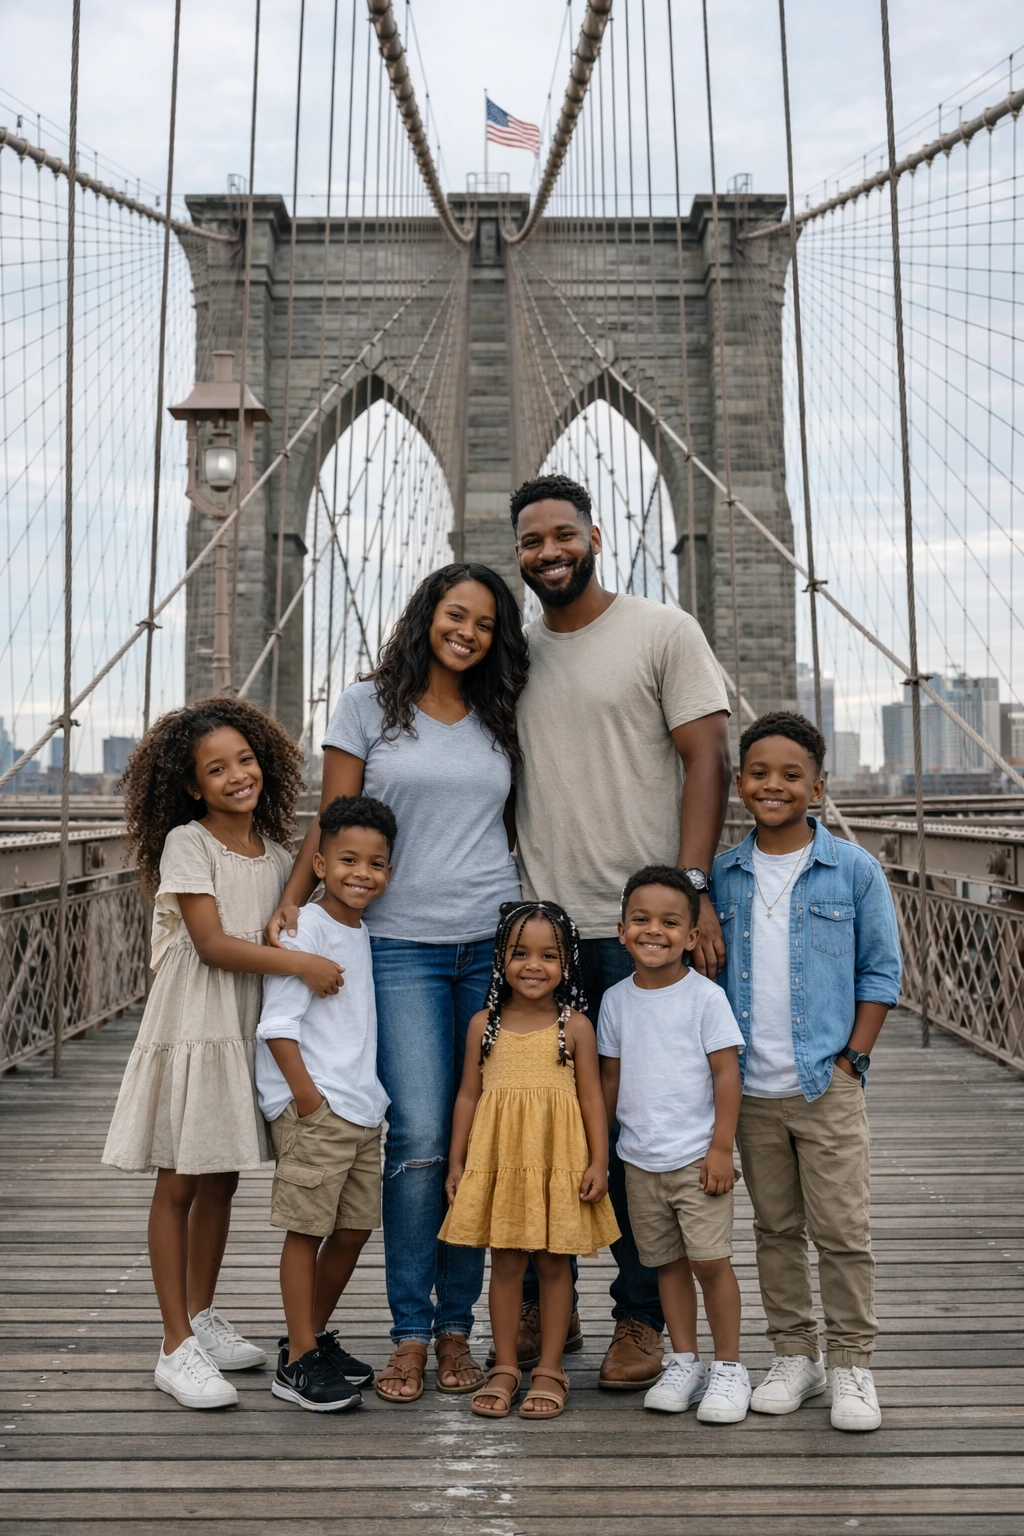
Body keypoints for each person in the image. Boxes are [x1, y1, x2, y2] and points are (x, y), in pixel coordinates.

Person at [266, 564, 529, 1403]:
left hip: (490, 941)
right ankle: (411, 1333)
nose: (469, 634)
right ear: (428, 615)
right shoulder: (365, 705)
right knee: (418, 1140)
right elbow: (333, 821)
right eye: (458, 615)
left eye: (487, 625)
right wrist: (290, 908)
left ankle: (460, 1331)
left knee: (475, 1140)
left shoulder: (503, 712)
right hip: (401, 946)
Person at [509, 473, 732, 1391]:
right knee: (543, 1127)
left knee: (646, 1134)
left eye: (564, 534)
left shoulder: (662, 630)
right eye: (531, 541)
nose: (549, 551)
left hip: (643, 935)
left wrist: (693, 892)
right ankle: (534, 1303)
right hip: (544, 936)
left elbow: (709, 754)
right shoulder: (512, 657)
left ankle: (641, 1320)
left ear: (595, 536)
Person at [103, 700, 342, 1410]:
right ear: (192, 785)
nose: (238, 775)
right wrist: (297, 967)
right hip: (196, 1020)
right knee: (179, 1180)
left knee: (222, 1178)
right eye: (217, 768)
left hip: (244, 1024)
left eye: (245, 759)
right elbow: (209, 942)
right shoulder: (189, 842)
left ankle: (203, 1318)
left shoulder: (274, 856)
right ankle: (175, 1344)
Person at [712, 711, 902, 1432]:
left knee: (843, 1230)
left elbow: (882, 973)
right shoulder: (723, 877)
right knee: (775, 1229)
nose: (774, 785)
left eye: (791, 775)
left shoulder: (853, 870)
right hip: (751, 1092)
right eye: (759, 773)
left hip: (825, 1085)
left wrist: (854, 1059)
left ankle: (853, 1364)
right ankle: (796, 1355)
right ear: (738, 783)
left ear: (818, 786)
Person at [441, 901, 619, 1420]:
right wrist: (458, 1162)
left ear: (568, 963)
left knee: (553, 1263)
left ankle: (549, 1368)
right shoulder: (483, 1024)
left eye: (549, 955)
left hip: (556, 1161)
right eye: (520, 953)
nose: (533, 965)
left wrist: (598, 1163)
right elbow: (468, 1096)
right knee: (507, 1266)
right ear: (500, 958)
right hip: (500, 1163)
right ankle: (505, 1367)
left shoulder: (576, 1026)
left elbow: (591, 1098)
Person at [256, 795, 394, 1413]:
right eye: (347, 860)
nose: (362, 873)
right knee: (306, 1231)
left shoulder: (362, 931)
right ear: (317, 863)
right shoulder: (303, 929)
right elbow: (278, 1026)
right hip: (319, 1106)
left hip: (361, 1108)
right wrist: (308, 1103)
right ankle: (300, 1362)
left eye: (376, 863)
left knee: (355, 1228)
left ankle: (303, 1341)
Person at [599, 866, 750, 1424]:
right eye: (640, 920)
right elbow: (610, 1080)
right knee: (665, 1264)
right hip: (640, 1160)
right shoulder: (615, 1000)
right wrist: (600, 1149)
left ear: (691, 935)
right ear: (621, 930)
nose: (653, 931)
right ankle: (684, 1361)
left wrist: (720, 1148)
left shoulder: (705, 998)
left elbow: (725, 1075)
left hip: (695, 1157)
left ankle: (729, 1366)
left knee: (711, 1263)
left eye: (669, 922)